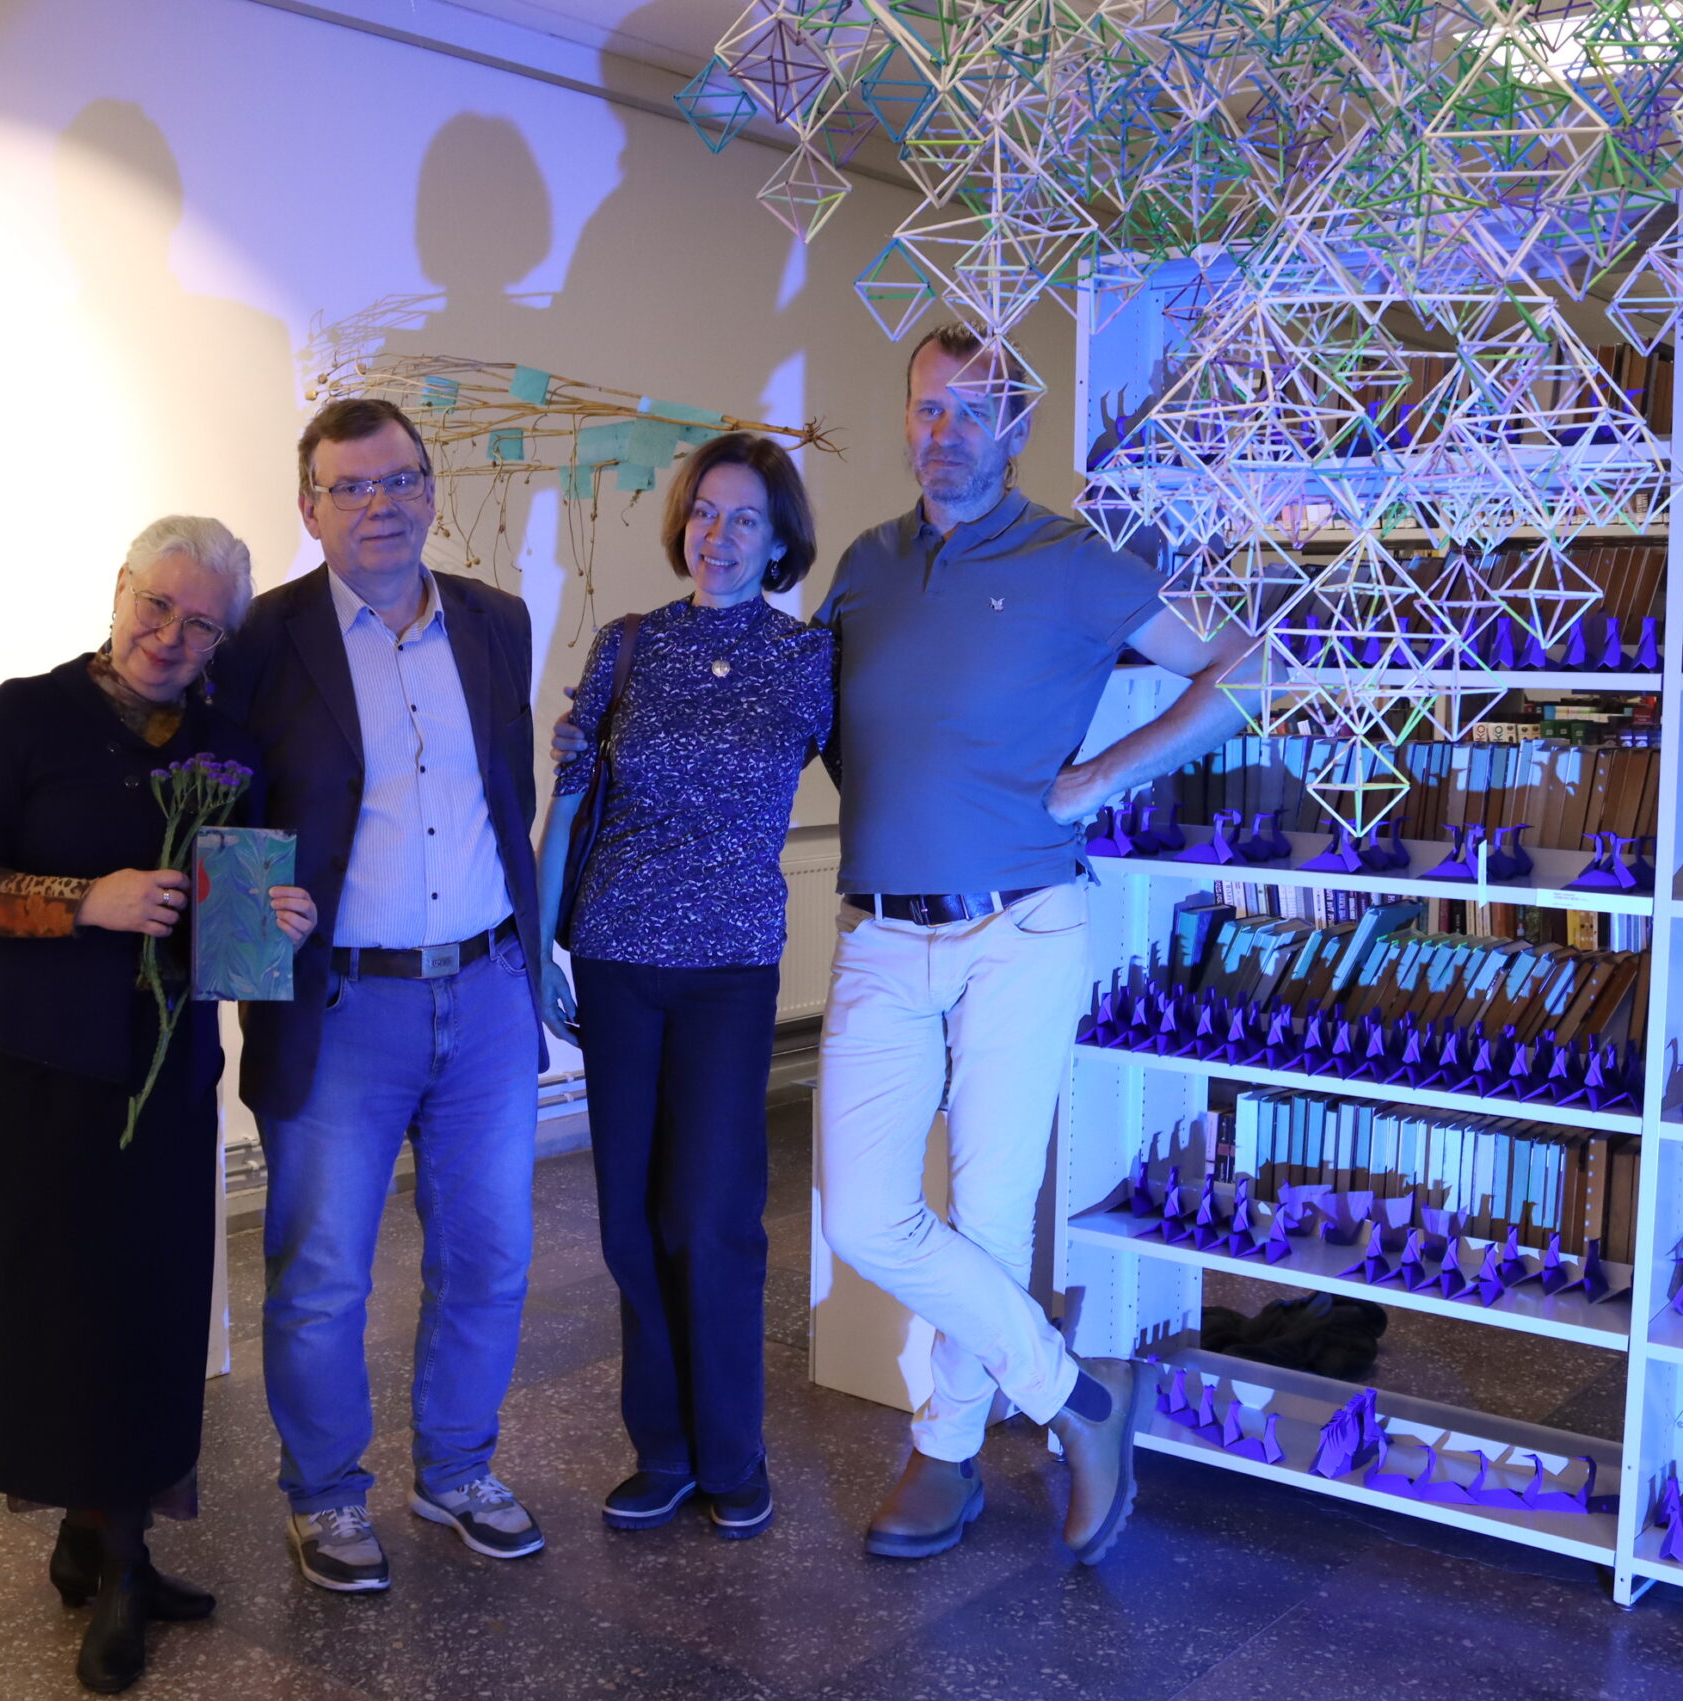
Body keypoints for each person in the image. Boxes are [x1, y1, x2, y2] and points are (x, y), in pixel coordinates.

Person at [560, 326, 1249, 1566]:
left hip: (1020, 925)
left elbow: (1246, 667)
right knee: (865, 1217)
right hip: (880, 929)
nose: (947, 434)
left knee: (986, 1210)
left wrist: (1102, 775)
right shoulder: (866, 568)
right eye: (929, 409)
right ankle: (1082, 1397)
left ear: (1016, 426)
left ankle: (946, 1451)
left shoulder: (1075, 560)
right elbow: (811, 726)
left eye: (974, 411)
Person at [0, 516, 316, 1694]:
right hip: (36, 1078)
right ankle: (110, 1552)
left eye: (203, 624)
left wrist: (274, 924)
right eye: (157, 606)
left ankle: (108, 1546)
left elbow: (228, 949)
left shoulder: (228, 746)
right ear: (120, 589)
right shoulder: (25, 716)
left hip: (161, 1078)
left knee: (147, 1318)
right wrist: (83, 900)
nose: (171, 637)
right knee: (55, 1318)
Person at [222, 397, 550, 1595]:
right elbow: (221, 804)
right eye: (350, 487)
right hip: (341, 1008)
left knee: (491, 1257)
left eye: (399, 479)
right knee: (321, 1275)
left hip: (489, 988)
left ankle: (457, 1469)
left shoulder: (496, 621)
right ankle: (324, 1491)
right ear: (309, 508)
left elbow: (506, 795)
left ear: (430, 490)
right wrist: (243, 939)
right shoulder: (263, 639)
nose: (379, 505)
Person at [535, 433, 833, 1541]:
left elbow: (886, 772)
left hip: (729, 973)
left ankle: (731, 1453)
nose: (720, 534)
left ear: (778, 537)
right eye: (705, 512)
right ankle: (661, 1451)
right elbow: (569, 802)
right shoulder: (628, 647)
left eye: (744, 517)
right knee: (631, 1217)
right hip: (618, 960)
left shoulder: (807, 660)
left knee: (712, 1217)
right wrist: (538, 949)